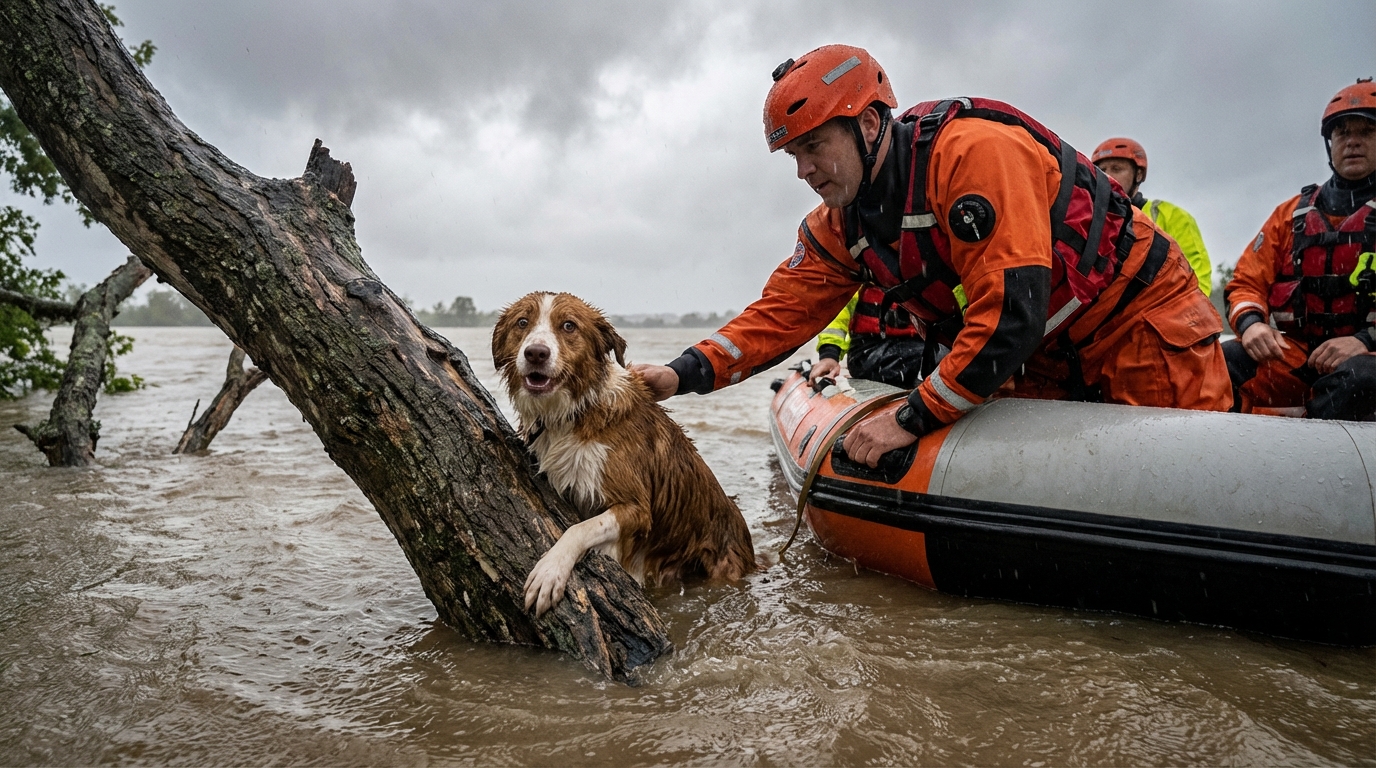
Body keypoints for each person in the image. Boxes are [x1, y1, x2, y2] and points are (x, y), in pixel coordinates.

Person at [634, 44, 1230, 468]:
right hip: (1045, 354)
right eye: (793, 156)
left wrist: (909, 417)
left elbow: (1009, 314)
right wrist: (681, 372)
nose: (805, 171)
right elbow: (780, 314)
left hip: (1137, 324)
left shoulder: (972, 154)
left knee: (1189, 478)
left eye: (813, 147)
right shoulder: (839, 224)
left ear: (869, 124)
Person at [1222, 78, 1376, 419]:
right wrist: (1252, 326)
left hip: (1367, 356)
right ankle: (1222, 465)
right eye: (1341, 133)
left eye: (1365, 131)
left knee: (1361, 379)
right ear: (1329, 144)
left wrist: (1365, 341)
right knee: (1221, 363)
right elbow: (1247, 282)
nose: (1351, 142)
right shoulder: (1290, 214)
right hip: (1298, 355)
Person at [1092, 138, 1213, 296]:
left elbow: (1198, 276)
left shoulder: (1172, 216)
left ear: (1139, 174)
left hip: (1164, 314)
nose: (1108, 177)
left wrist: (1190, 317)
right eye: (1101, 170)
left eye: (1117, 169)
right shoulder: (1092, 220)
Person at [809, 285, 927, 389]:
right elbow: (836, 316)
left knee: (936, 357)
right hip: (869, 352)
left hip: (921, 348)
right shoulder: (862, 272)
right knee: (928, 360)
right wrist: (829, 355)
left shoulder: (934, 273)